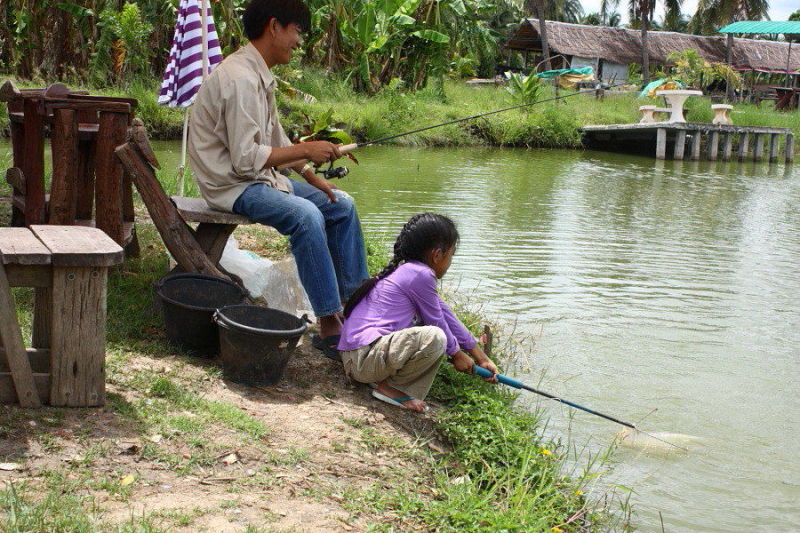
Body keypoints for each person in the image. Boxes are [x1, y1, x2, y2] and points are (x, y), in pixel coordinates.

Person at [188, 0, 368, 356]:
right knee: (307, 216)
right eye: (297, 31)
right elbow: (244, 160)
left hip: (262, 179)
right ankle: (330, 322)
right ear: (275, 26)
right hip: (233, 186)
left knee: (341, 205)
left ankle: (356, 309)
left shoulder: (257, 73)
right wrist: (309, 149)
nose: (298, 42)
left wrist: (310, 174)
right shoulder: (239, 78)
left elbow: (275, 140)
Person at [338, 213, 499, 413]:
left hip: (360, 359)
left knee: (433, 332)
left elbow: (446, 314)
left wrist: (480, 357)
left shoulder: (411, 271)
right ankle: (392, 389)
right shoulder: (421, 275)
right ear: (437, 255)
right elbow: (437, 322)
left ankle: (382, 379)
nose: (450, 262)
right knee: (435, 336)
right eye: (451, 255)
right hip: (362, 361)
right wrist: (457, 354)